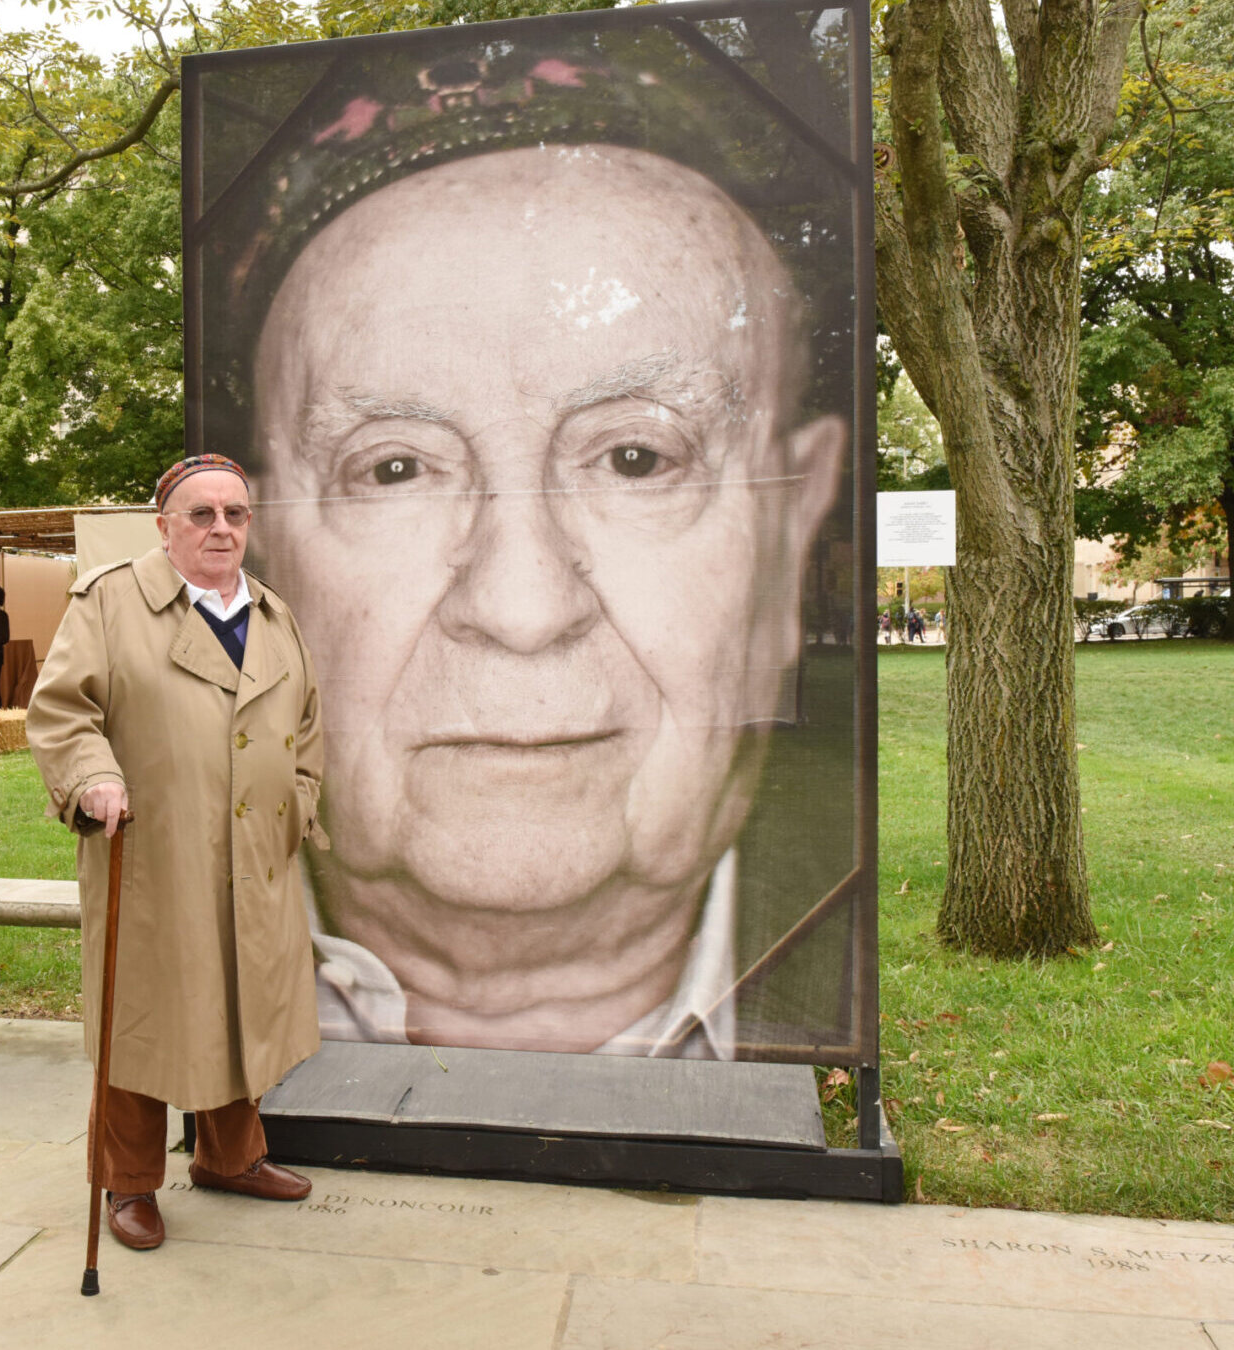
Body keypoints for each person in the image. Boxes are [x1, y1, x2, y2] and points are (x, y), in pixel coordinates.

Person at [218, 42, 852, 1060]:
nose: (521, 607)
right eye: (393, 471)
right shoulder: (186, 947)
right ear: (261, 558)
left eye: (637, 458)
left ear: (789, 529)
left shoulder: (843, 972)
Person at [26, 453, 327, 1252]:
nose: (221, 528)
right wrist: (92, 776)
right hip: (156, 851)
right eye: (201, 514)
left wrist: (298, 799)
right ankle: (128, 1183)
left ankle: (230, 1159)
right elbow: (62, 711)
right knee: (147, 1017)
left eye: (235, 514)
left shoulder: (272, 614)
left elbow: (307, 729)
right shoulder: (109, 601)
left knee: (235, 1005)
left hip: (254, 854)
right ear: (165, 526)